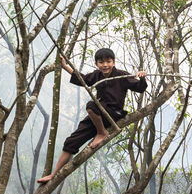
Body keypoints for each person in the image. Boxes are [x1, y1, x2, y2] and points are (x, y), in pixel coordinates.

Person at [37, 48, 148, 184]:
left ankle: (102, 132)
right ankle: (53, 174)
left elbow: (140, 87)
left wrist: (142, 78)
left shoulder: (122, 75)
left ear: (113, 62)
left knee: (91, 105)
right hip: (98, 115)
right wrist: (65, 66)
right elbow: (82, 79)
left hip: (114, 114)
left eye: (108, 61)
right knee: (72, 141)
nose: (105, 65)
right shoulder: (96, 75)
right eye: (101, 62)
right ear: (96, 64)